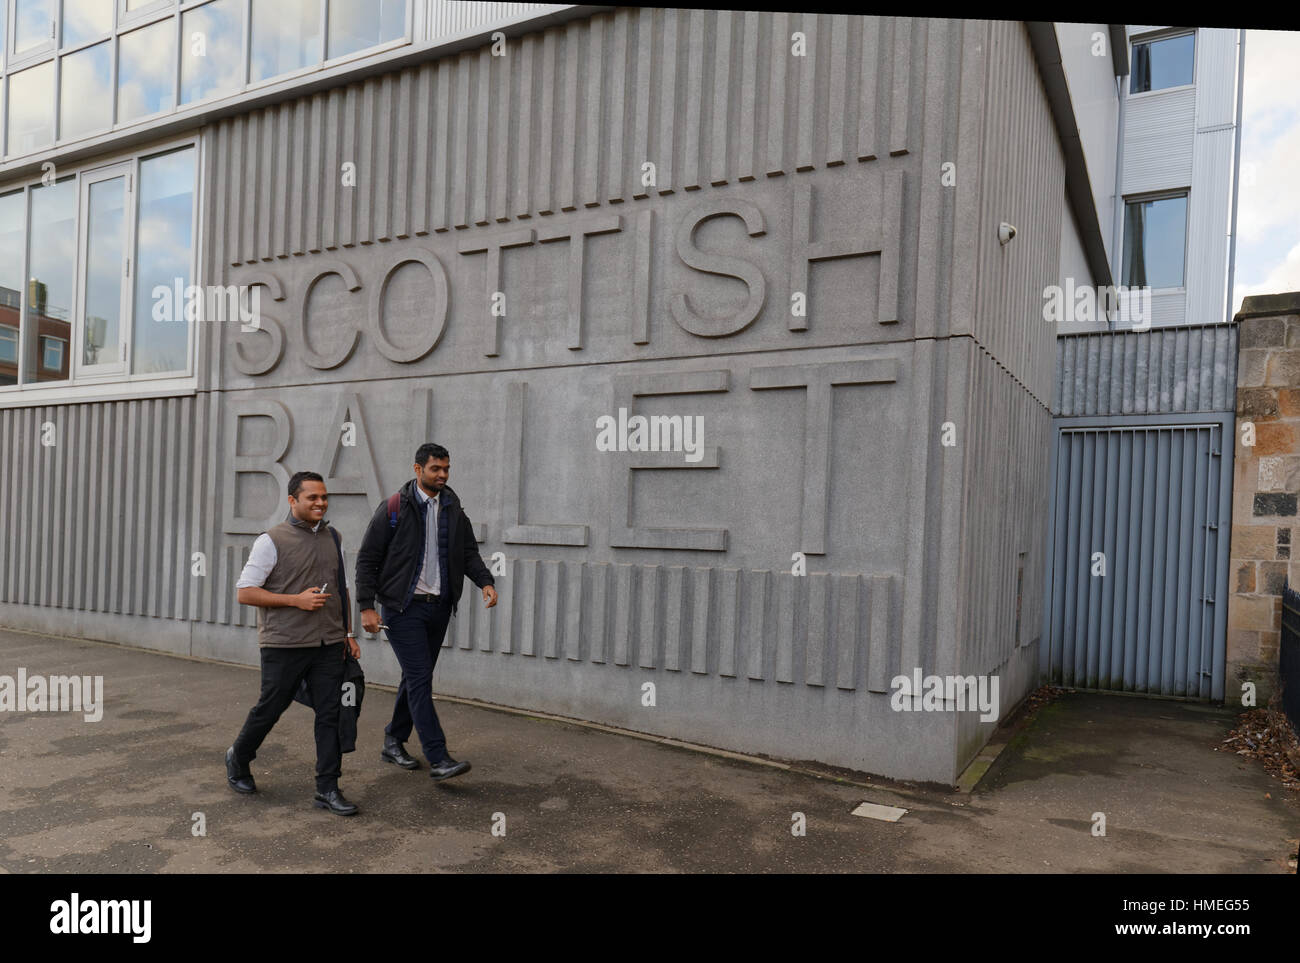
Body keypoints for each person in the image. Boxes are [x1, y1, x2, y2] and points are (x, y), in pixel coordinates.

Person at [355, 443, 497, 781]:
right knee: (420, 679)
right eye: (436, 469)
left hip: (438, 608)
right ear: (417, 469)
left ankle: (393, 740)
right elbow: (367, 559)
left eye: (446, 469)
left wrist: (485, 582)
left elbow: (467, 552)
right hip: (402, 609)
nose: (443, 475)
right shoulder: (394, 508)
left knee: (414, 677)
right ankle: (438, 757)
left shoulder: (452, 507)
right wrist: (365, 607)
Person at [225, 471, 362, 816]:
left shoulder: (334, 537)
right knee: (270, 708)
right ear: (292, 501)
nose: (320, 503)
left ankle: (327, 788)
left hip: (328, 643)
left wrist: (347, 634)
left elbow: (341, 588)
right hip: (284, 643)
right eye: (312, 497)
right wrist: (294, 601)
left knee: (330, 713)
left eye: (323, 497)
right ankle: (238, 757)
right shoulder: (271, 540)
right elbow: (245, 592)